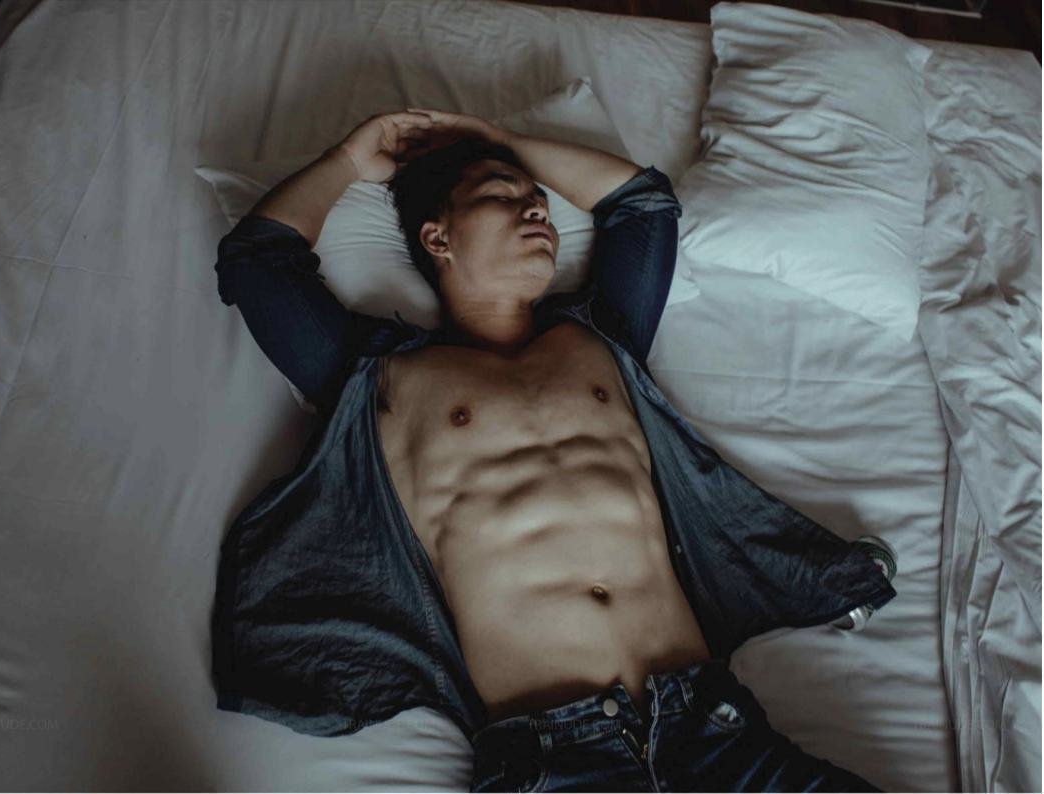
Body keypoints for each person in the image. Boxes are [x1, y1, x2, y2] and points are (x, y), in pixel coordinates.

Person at [210, 109, 896, 792]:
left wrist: (503, 142)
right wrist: (350, 161)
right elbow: (258, 263)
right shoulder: (384, 379)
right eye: (501, 195)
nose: (535, 208)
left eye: (537, 198)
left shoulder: (600, 340)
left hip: (712, 727)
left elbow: (642, 206)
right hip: (554, 757)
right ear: (437, 237)